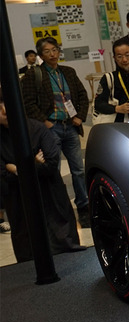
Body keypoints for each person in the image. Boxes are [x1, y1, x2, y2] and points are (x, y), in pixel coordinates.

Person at [0, 94, 86, 261]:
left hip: (50, 193)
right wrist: (33, 163)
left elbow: (51, 164)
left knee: (62, 243)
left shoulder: (36, 129)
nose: (4, 110)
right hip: (19, 199)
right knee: (28, 251)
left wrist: (17, 169)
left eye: (6, 104)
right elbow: (2, 174)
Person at [19, 37, 91, 224]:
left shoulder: (68, 72)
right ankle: (58, 208)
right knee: (53, 170)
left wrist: (79, 117)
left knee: (78, 169)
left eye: (55, 50)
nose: (53, 54)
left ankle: (84, 205)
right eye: (48, 51)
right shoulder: (34, 75)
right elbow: (27, 103)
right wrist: (45, 122)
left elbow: (83, 96)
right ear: (41, 55)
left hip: (71, 126)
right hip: (51, 129)